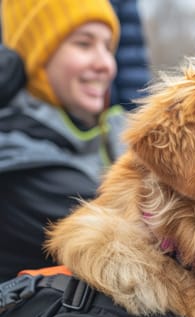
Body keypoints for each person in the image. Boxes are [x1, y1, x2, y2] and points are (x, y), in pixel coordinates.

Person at [0, 0, 125, 282]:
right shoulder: (18, 157)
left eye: (108, 47)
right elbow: (136, 237)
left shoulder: (110, 132)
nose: (105, 64)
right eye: (83, 44)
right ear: (38, 57)